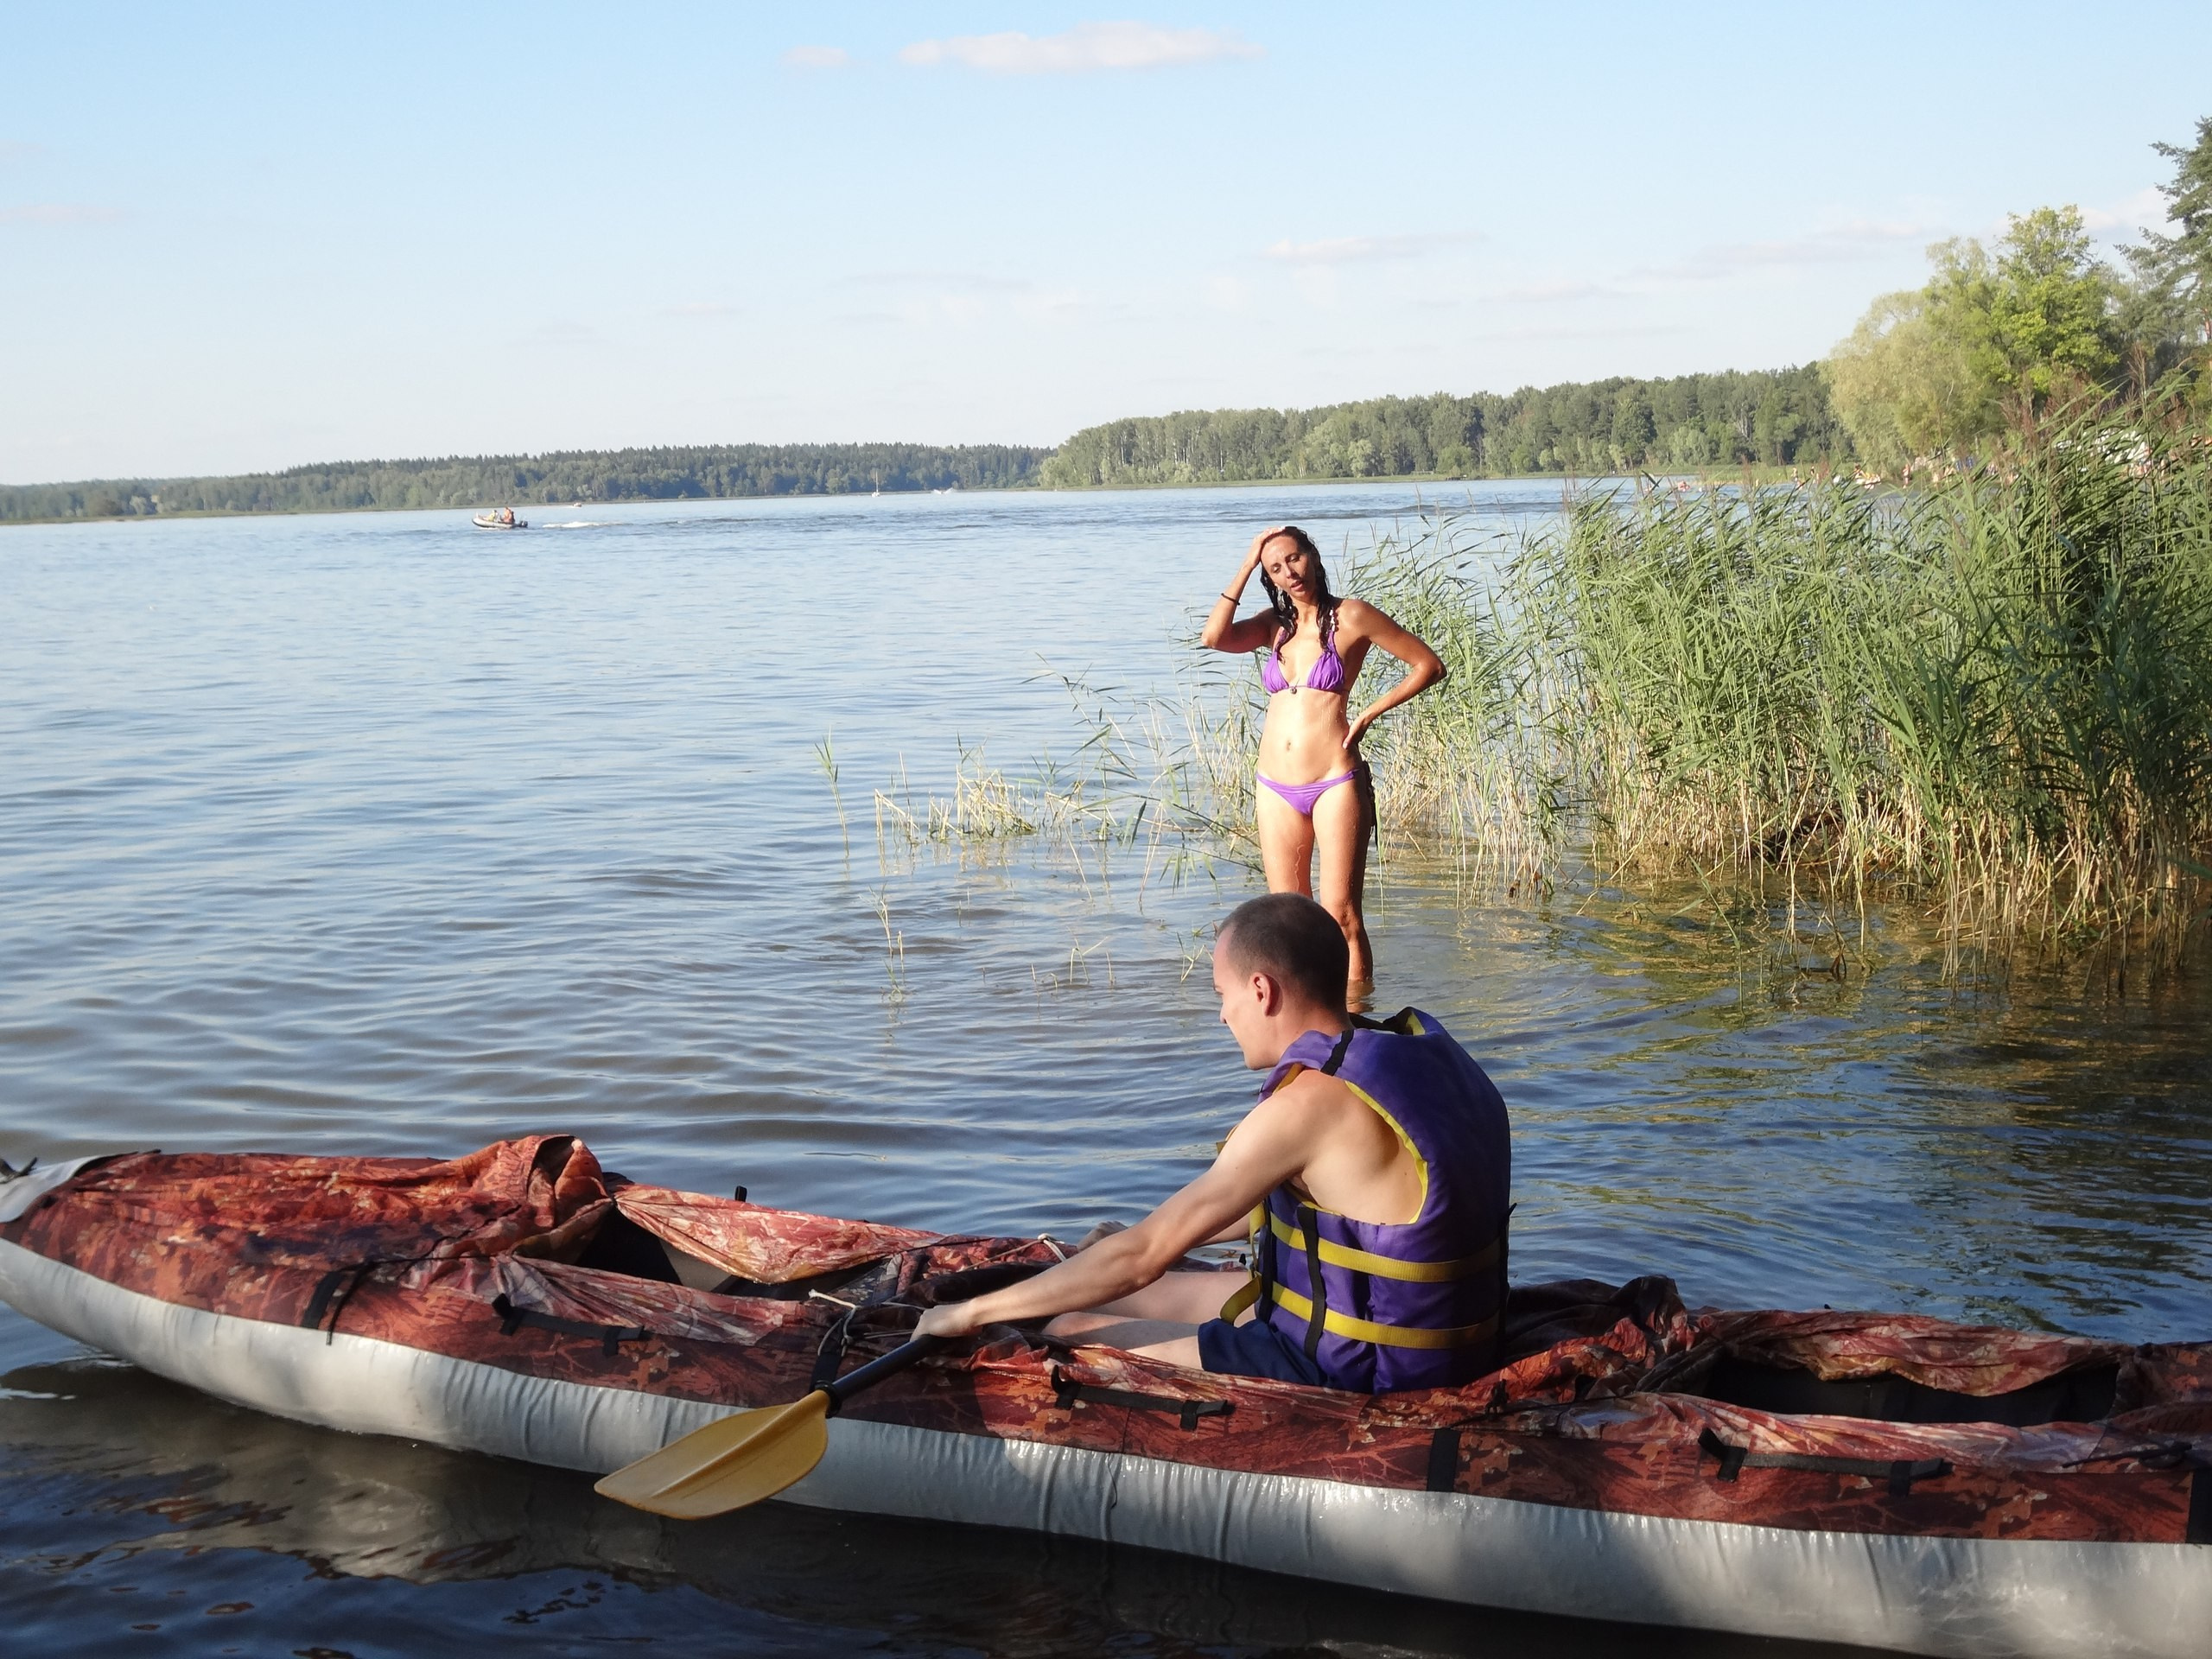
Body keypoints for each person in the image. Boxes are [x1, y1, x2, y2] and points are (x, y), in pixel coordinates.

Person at [912, 893, 1510, 1394]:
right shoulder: (1419, 1055)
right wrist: (1134, 1241)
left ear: (1261, 990)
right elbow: (1325, 1210)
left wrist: (968, 1313)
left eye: (1222, 994)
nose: (1223, 1015)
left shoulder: (1307, 1105)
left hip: (1366, 1367)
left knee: (1069, 1326)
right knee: (1140, 1280)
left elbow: (1140, 1259)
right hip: (1439, 1332)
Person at [1199, 526, 1445, 998]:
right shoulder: (1275, 625)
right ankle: (1306, 1019)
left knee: (1342, 916)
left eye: (1294, 559)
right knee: (1288, 915)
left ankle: (1356, 1020)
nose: (1289, 573)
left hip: (1334, 780)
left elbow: (1428, 665)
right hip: (1275, 786)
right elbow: (1213, 637)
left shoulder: (1350, 616)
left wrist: (1369, 712)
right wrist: (1249, 560)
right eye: (1276, 568)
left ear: (1312, 556)